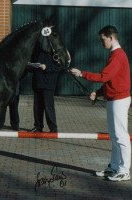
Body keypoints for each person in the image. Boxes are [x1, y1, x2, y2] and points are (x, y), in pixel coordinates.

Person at [70, 25, 131, 182]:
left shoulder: (117, 55)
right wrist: (98, 92)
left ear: (111, 38)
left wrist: (82, 73)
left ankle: (124, 170)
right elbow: (111, 80)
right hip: (113, 98)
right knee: (114, 135)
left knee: (121, 136)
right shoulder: (114, 54)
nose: (101, 42)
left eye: (102, 39)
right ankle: (114, 167)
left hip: (119, 99)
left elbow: (104, 76)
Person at [28, 51, 61, 133]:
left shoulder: (55, 51)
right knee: (37, 107)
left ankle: (53, 128)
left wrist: (47, 67)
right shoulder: (36, 51)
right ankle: (38, 127)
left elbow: (59, 67)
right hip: (37, 83)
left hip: (48, 83)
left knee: (48, 107)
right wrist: (30, 65)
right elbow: (31, 68)